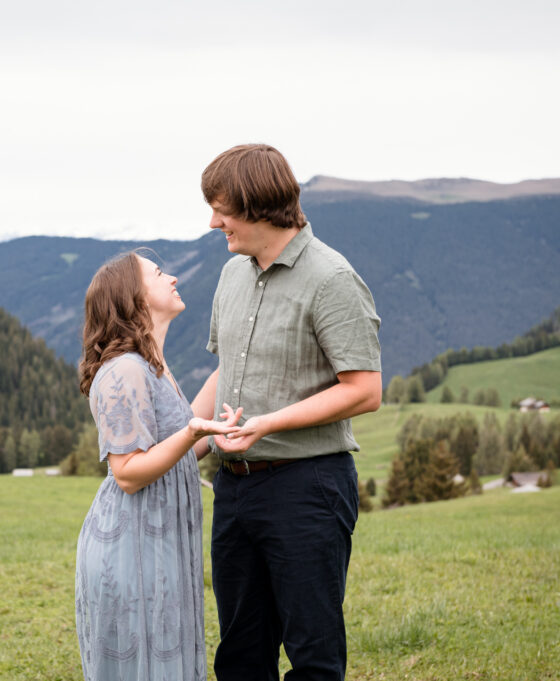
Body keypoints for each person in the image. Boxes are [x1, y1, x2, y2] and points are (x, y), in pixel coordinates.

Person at [195, 144, 382, 681]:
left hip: (308, 488)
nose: (213, 222)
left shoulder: (331, 279)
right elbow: (222, 371)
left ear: (258, 203)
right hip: (233, 488)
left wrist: (268, 424)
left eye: (221, 207)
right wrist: (186, 438)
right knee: (240, 656)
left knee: (314, 658)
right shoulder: (233, 275)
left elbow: (364, 390)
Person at [74, 251, 242, 681]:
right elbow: (129, 472)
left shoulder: (152, 365)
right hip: (130, 549)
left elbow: (176, 445)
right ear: (133, 296)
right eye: (159, 273)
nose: (173, 277)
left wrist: (241, 357)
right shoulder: (124, 370)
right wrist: (193, 434)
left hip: (157, 545)